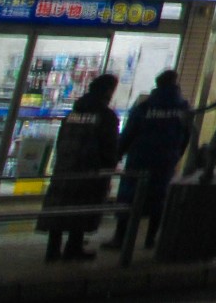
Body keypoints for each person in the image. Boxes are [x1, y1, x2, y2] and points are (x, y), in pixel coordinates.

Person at [109, 71, 192, 251]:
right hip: (165, 162)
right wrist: (176, 154)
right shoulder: (182, 108)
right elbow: (186, 135)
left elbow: (129, 132)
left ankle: (120, 238)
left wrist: (118, 154)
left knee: (129, 199)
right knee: (159, 200)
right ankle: (151, 239)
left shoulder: (145, 107)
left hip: (139, 159)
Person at [39, 74, 118, 261]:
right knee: (82, 208)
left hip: (65, 167)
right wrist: (108, 168)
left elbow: (61, 141)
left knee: (60, 208)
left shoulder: (72, 114)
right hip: (90, 170)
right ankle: (73, 248)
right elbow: (109, 146)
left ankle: (52, 250)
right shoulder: (106, 117)